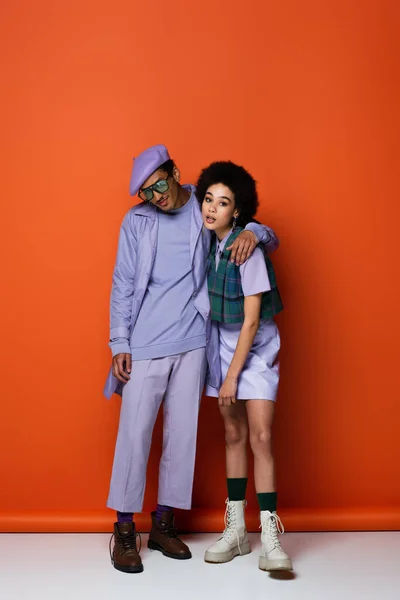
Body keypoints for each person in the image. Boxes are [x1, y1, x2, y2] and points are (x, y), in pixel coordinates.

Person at [104, 145, 280, 573]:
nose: (156, 196)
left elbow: (258, 231)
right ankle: (125, 529)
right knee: (134, 435)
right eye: (146, 192)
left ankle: (165, 523)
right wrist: (119, 342)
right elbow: (123, 283)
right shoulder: (137, 221)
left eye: (160, 185)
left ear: (175, 174)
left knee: (181, 436)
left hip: (193, 341)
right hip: (145, 342)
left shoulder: (203, 209)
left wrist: (256, 232)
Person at [197, 160, 292, 571]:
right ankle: (236, 531)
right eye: (208, 199)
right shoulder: (207, 243)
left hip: (254, 349)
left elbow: (252, 320)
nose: (212, 208)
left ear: (238, 211)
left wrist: (233, 376)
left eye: (223, 202)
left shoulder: (245, 248)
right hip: (222, 346)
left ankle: (269, 535)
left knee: (261, 435)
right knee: (233, 433)